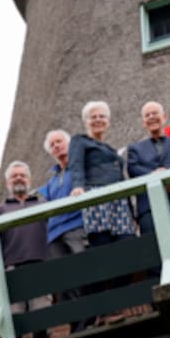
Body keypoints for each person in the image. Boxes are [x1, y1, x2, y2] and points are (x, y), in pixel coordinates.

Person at [68, 101, 136, 324]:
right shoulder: (80, 141)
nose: (98, 120)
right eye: (93, 117)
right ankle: (107, 310)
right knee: (103, 252)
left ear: (108, 122)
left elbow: (121, 178)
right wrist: (78, 186)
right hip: (96, 196)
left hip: (118, 200)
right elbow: (75, 165)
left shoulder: (110, 149)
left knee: (127, 249)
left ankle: (115, 302)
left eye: (102, 117)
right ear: (86, 121)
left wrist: (131, 209)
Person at [0, 161, 52, 338]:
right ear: (8, 182)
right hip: (12, 266)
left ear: (29, 179)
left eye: (22, 175)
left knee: (41, 311)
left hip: (39, 262)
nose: (19, 178)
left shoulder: (42, 203)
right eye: (14, 176)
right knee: (15, 315)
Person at [126, 101, 170, 239]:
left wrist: (168, 175)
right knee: (154, 253)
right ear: (144, 122)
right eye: (147, 115)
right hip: (149, 208)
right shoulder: (135, 149)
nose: (151, 117)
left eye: (155, 113)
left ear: (164, 117)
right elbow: (133, 169)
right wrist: (155, 175)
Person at [38, 129, 88, 313]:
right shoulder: (51, 182)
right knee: (63, 278)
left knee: (82, 269)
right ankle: (75, 317)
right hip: (54, 233)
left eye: (59, 142)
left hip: (76, 225)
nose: (57, 146)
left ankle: (87, 314)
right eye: (52, 145)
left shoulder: (81, 168)